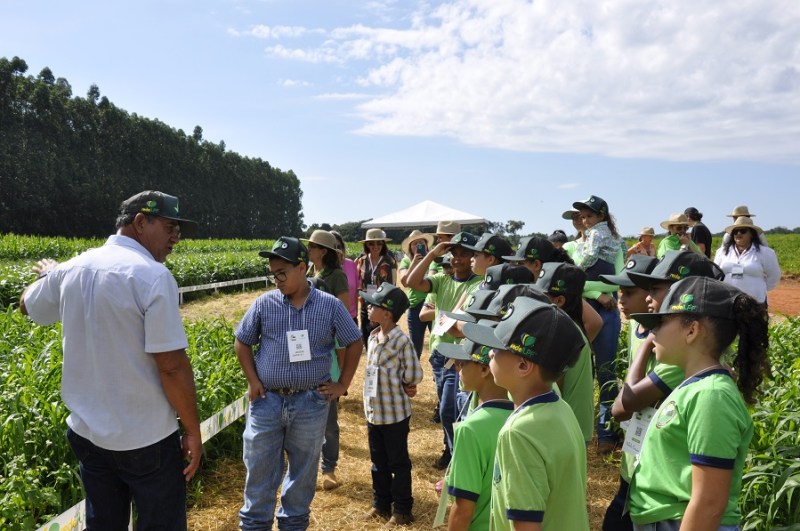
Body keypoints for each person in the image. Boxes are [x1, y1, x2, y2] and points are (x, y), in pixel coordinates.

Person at [19, 190, 202, 529]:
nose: (176, 237)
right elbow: (172, 367)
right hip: (146, 440)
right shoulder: (153, 276)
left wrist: (51, 276)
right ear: (140, 222)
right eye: (170, 226)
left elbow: (26, 305)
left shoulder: (73, 268)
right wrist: (192, 431)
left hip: (89, 437)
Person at [234, 237, 363, 530]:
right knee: (259, 471)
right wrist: (253, 381)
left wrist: (342, 384)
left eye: (282, 272)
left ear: (302, 268)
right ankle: (255, 524)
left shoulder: (329, 306)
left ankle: (293, 523)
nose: (276, 279)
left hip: (310, 402)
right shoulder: (264, 304)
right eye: (273, 273)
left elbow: (354, 342)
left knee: (303, 474)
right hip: (267, 401)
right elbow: (241, 342)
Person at [628, 277, 770, 530]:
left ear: (691, 330)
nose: (653, 332)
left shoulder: (711, 396)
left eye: (661, 322)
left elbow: (709, 502)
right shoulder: (695, 386)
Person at [463, 297, 590, 531]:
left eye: (498, 349)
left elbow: (526, 525)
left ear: (523, 366)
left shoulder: (519, 433)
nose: (489, 353)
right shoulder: (561, 409)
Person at [406, 232, 483, 470]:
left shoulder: (478, 284)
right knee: (445, 407)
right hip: (438, 353)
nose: (458, 259)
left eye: (464, 255)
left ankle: (457, 456)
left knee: (449, 407)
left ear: (472, 257)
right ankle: (450, 450)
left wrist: (443, 316)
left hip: (458, 355)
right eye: (455, 254)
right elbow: (410, 282)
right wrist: (431, 254)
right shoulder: (441, 280)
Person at [598, 254, 660, 531]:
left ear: (652, 295)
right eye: (620, 292)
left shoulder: (663, 340)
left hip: (653, 454)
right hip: (635, 445)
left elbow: (624, 405)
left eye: (629, 293)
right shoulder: (636, 325)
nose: (620, 299)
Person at [360, 283, 423, 527]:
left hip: (395, 415)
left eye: (373, 305)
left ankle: (403, 510)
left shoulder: (401, 342)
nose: (367, 306)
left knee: (398, 463)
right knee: (378, 463)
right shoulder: (374, 337)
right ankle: (381, 504)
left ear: (387, 313)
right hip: (374, 413)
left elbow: (414, 375)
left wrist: (408, 384)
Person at [437, 339, 513, 531]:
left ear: (484, 370)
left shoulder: (470, 429)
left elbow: (463, 509)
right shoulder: (519, 417)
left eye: (462, 364)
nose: (456, 368)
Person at [571, 195, 626, 453]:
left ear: (602, 216)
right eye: (581, 216)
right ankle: (594, 432)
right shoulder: (574, 246)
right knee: (586, 371)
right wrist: (596, 293)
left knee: (604, 371)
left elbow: (617, 281)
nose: (584, 220)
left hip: (601, 307)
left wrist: (584, 288)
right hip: (590, 304)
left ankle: (605, 434)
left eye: (589, 215)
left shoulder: (608, 240)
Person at [303, 229, 350, 491]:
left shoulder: (337, 276)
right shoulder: (312, 275)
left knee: (329, 422)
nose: (309, 250)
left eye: (312, 246)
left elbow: (342, 313)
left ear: (324, 251)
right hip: (308, 354)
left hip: (328, 353)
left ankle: (328, 468)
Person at [535, 262, 596, 445]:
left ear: (559, 301)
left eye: (541, 297)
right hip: (573, 427)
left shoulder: (561, 335)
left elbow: (552, 390)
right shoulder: (573, 328)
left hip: (563, 432)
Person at [714, 216, 781, 306]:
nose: (738, 233)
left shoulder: (765, 252)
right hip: (728, 301)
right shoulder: (722, 252)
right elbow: (715, 273)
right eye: (735, 231)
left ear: (751, 234)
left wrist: (760, 288)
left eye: (742, 231)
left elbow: (774, 276)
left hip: (755, 302)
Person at [398, 229, 437, 358]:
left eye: (421, 242)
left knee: (436, 342)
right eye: (415, 244)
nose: (418, 245)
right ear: (410, 247)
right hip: (415, 306)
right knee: (415, 346)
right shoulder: (406, 261)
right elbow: (404, 282)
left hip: (432, 305)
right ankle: (412, 375)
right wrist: (414, 263)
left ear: (427, 244)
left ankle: (437, 376)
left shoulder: (435, 259)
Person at [355, 228, 398, 346]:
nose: (375, 246)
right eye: (371, 243)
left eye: (379, 243)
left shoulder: (390, 261)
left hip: (383, 309)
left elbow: (393, 286)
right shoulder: (361, 261)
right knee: (367, 341)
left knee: (383, 342)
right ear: (366, 245)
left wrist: (383, 310)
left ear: (383, 244)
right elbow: (357, 283)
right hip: (365, 308)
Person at [331, 230, 359, 325]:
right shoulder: (325, 268)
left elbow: (355, 291)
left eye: (339, 246)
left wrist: (356, 314)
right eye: (333, 247)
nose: (337, 250)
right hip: (333, 321)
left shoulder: (351, 264)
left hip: (351, 317)